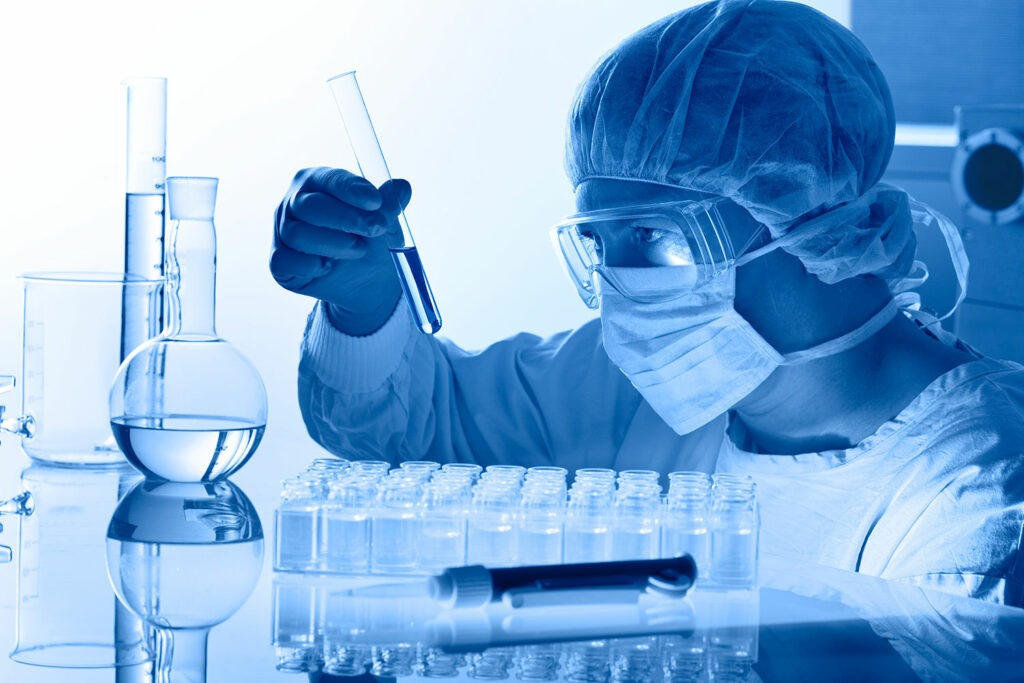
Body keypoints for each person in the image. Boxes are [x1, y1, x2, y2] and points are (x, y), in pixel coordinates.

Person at [269, 0, 1024, 605]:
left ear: (815, 223)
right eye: (600, 247)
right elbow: (410, 429)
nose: (622, 290)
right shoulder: (639, 384)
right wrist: (363, 297)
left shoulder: (979, 481)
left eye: (655, 239)